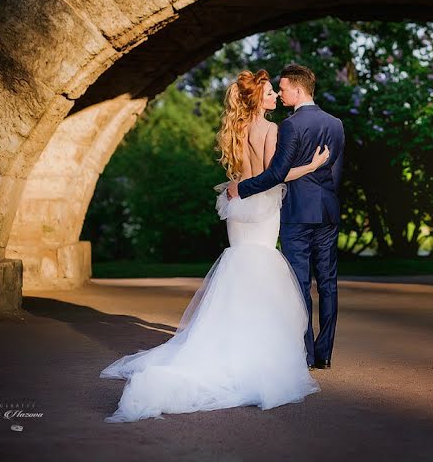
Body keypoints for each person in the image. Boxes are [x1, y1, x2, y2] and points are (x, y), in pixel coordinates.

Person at [99, 69, 330, 423]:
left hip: (236, 204)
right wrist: (312, 165)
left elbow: (240, 174)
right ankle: (253, 351)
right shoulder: (271, 129)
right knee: (262, 271)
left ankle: (223, 342)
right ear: (258, 100)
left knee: (238, 268)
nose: (274, 97)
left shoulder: (236, 130)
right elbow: (275, 174)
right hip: (263, 204)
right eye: (269, 92)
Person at [227, 64, 345, 370]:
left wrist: (241, 189)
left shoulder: (290, 126)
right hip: (328, 210)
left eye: (282, 89)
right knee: (329, 283)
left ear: (298, 89)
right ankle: (325, 354)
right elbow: (336, 172)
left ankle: (306, 354)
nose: (280, 94)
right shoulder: (336, 124)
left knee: (300, 284)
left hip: (296, 212)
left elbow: (276, 174)